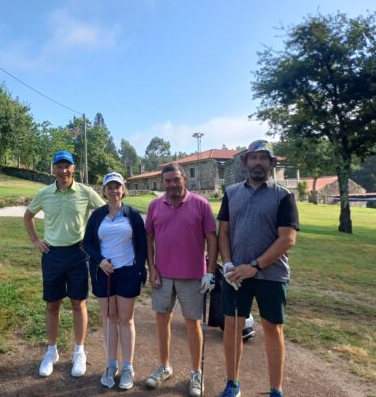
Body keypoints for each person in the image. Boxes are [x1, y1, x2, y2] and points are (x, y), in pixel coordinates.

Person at [217, 140, 299, 397]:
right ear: (245, 162)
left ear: (272, 163)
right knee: (232, 328)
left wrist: (255, 266)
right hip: (236, 276)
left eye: (264, 157)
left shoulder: (283, 195)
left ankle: (276, 389)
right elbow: (224, 232)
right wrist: (228, 264)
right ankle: (233, 383)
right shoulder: (231, 192)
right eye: (253, 157)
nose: (258, 162)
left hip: (271, 275)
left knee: (273, 329)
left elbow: (287, 239)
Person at [23, 150, 105, 378]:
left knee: (78, 303)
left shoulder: (85, 192)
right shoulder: (44, 193)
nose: (63, 170)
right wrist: (35, 240)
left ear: (73, 168)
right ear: (53, 169)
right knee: (52, 304)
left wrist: (91, 241)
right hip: (52, 254)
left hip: (78, 254)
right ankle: (52, 351)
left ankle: (79, 351)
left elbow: (104, 213)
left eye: (66, 166)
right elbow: (28, 216)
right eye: (59, 166)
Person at [144, 163, 218, 397]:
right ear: (162, 182)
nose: (172, 184)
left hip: (193, 275)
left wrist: (210, 272)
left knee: (192, 323)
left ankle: (196, 372)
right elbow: (149, 239)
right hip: (163, 274)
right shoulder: (155, 205)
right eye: (167, 181)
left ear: (184, 179)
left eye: (176, 179)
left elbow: (212, 238)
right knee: (162, 319)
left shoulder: (201, 204)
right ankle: (164, 366)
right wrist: (152, 268)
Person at [83, 172, 147, 390]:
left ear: (123, 190)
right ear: (104, 191)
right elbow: (88, 243)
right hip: (104, 273)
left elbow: (142, 244)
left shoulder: (132, 214)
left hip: (127, 271)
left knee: (126, 320)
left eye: (117, 187)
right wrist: (100, 260)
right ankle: (111, 365)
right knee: (109, 318)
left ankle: (128, 367)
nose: (113, 191)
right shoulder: (97, 215)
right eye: (109, 187)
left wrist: (140, 269)